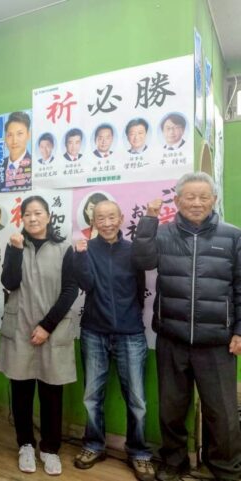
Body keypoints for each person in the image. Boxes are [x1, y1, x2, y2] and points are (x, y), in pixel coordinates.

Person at [132, 172, 241, 481]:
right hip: (172, 338)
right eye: (190, 197)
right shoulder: (163, 234)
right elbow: (142, 261)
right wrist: (148, 221)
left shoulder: (233, 236)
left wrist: (239, 330)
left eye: (203, 197)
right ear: (177, 200)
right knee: (171, 409)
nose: (196, 203)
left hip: (217, 343)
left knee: (222, 413)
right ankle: (174, 462)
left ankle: (226, 469)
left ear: (214, 200)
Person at [72, 200, 155, 481]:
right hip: (93, 331)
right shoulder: (86, 249)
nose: (106, 223)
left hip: (130, 333)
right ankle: (94, 445)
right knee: (91, 396)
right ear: (93, 222)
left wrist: (128, 319)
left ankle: (139, 452)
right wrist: (80, 256)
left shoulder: (133, 251)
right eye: (100, 218)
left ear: (121, 219)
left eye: (111, 217)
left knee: (137, 400)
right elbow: (86, 285)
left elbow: (140, 290)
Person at [0, 196, 78, 476]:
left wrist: (47, 326)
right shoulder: (16, 244)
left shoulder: (64, 248)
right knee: (21, 391)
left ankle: (50, 449)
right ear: (22, 218)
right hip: (20, 327)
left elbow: (71, 290)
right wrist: (15, 251)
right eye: (28, 214)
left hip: (52, 329)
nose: (33, 218)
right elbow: (9, 282)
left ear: (48, 216)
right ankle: (25, 445)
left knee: (52, 392)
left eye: (38, 213)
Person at [0, 111, 32, 191]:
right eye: (10, 135)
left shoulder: (34, 165)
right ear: (5, 138)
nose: (14, 141)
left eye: (20, 134)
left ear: (28, 135)